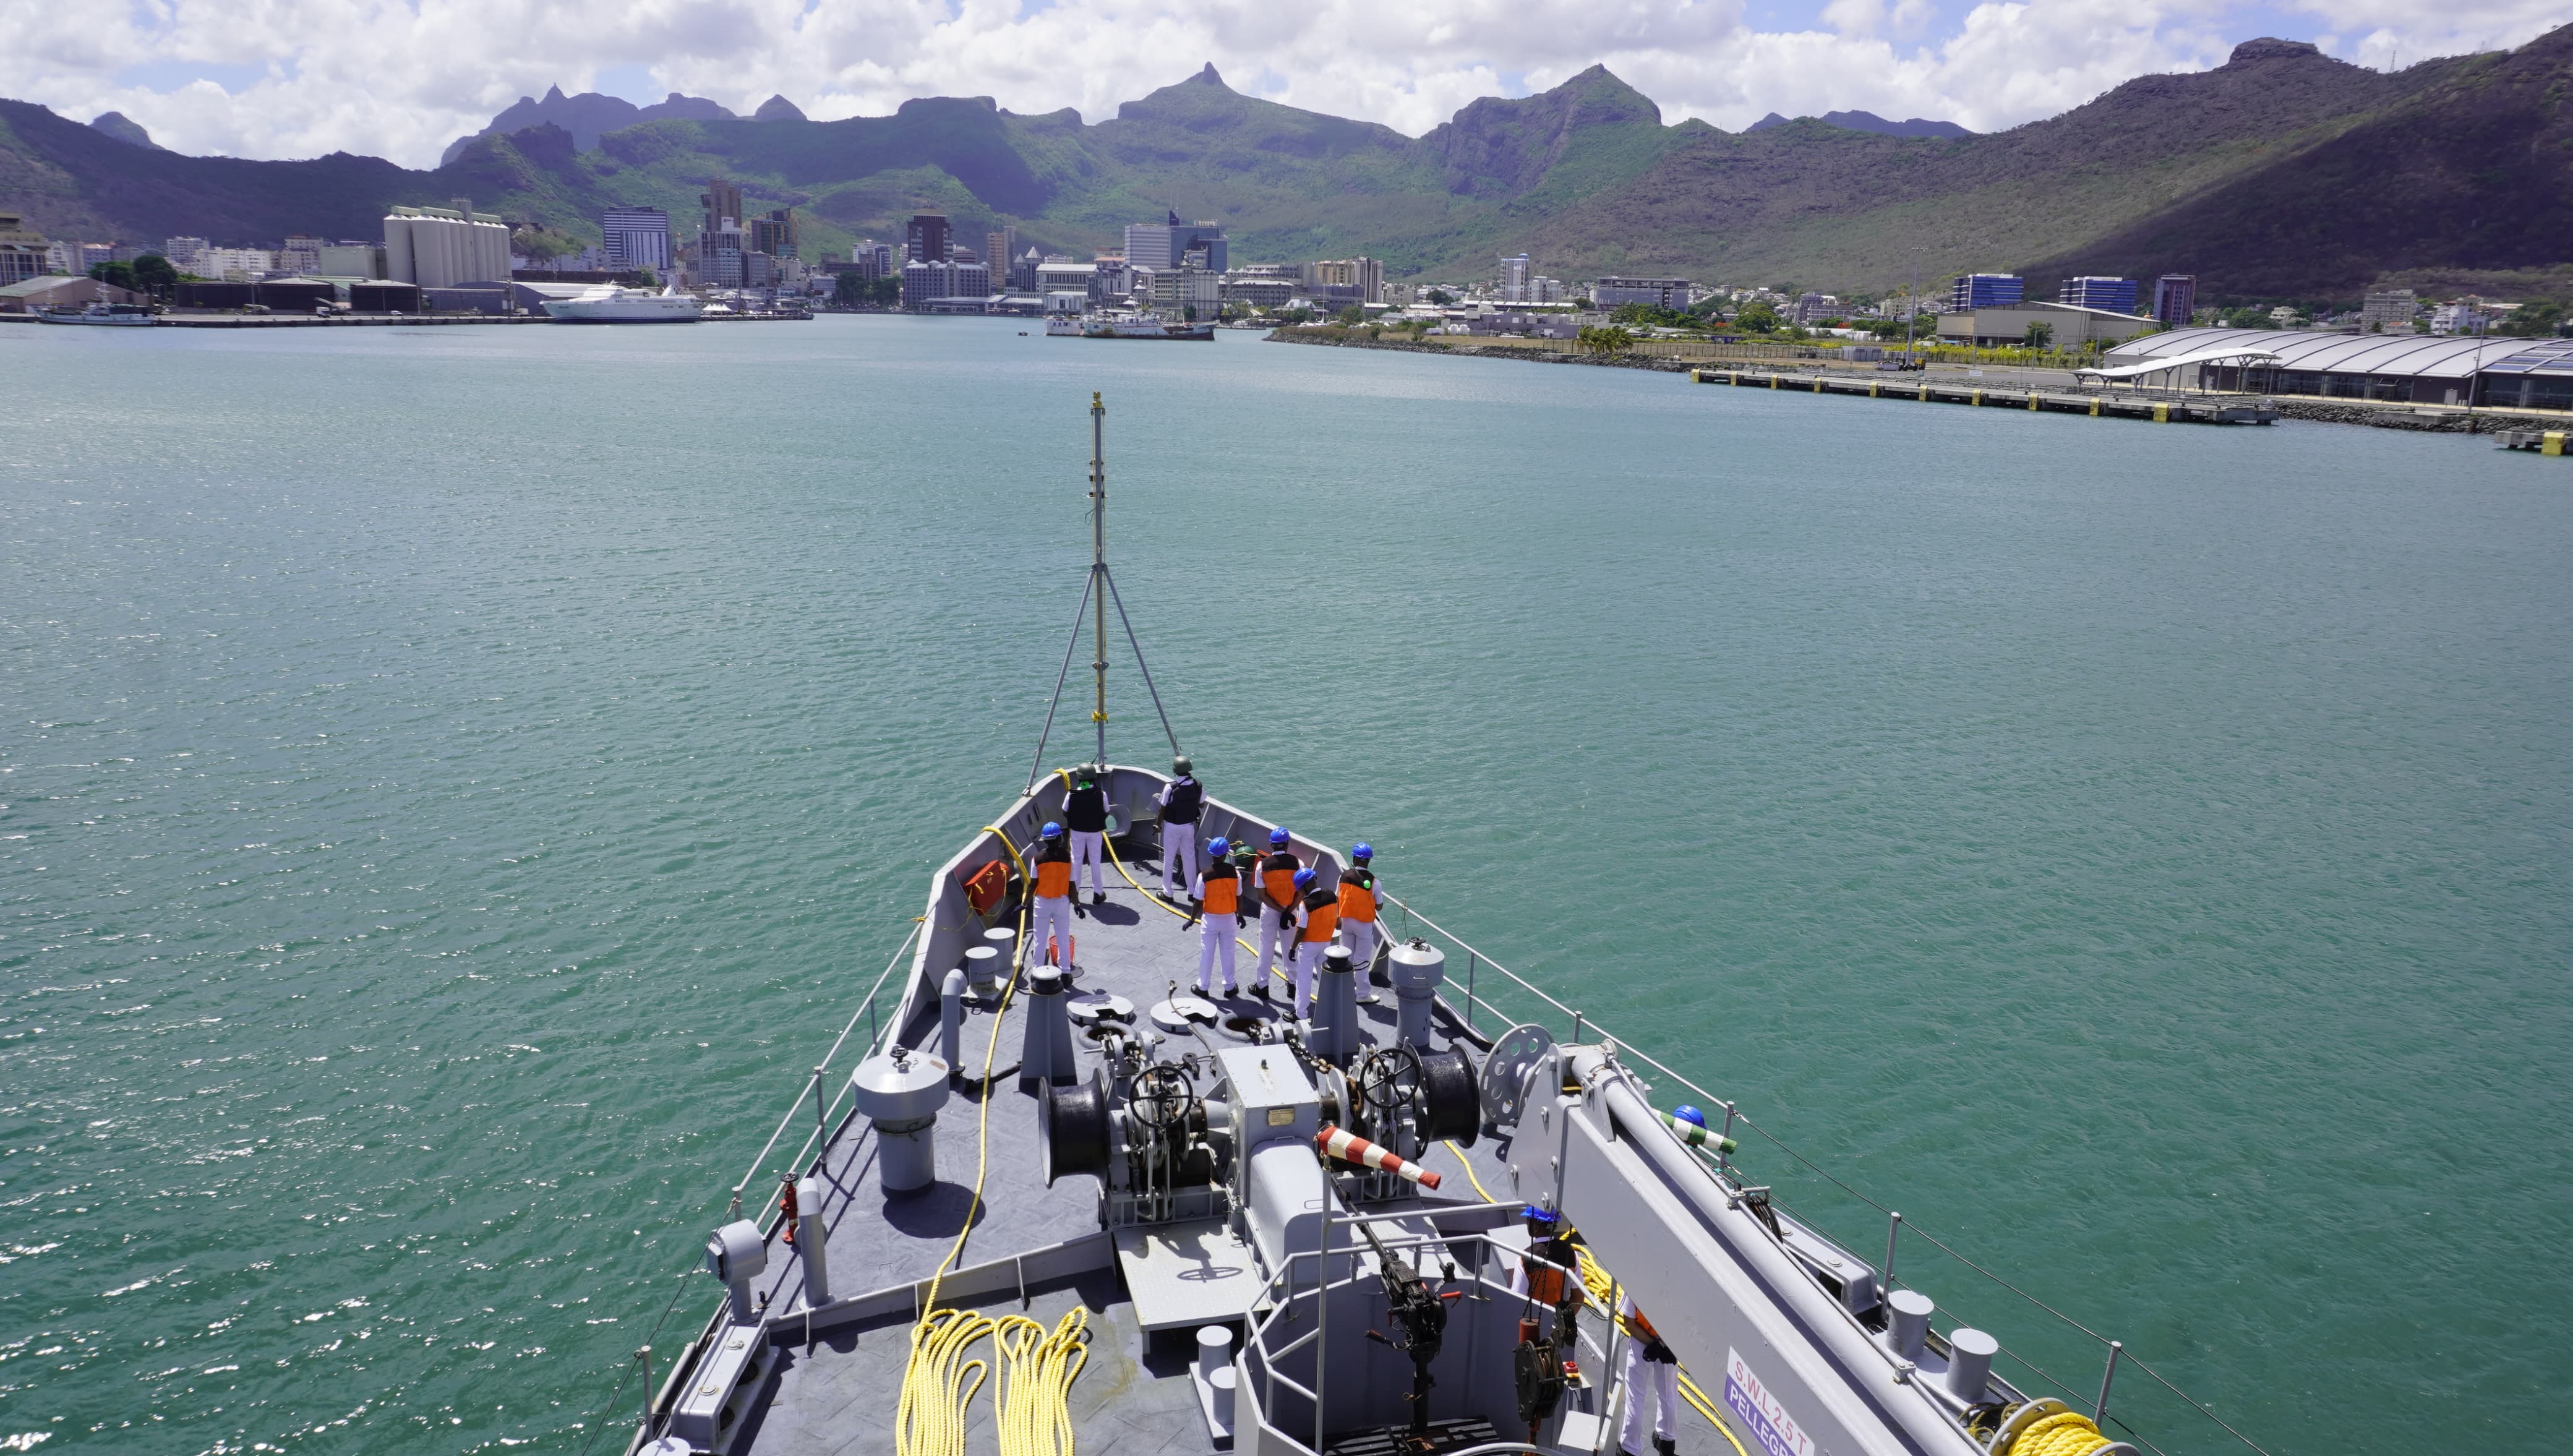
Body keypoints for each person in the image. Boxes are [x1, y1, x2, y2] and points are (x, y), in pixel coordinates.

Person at [1617, 1290, 1679, 1456]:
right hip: (1669, 1345)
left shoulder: (1637, 1282)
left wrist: (1655, 1346)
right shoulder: (1680, 1286)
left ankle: (1630, 1448)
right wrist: (1663, 1346)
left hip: (1641, 1339)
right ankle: (1667, 1444)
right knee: (1668, 1393)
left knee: (1635, 1395)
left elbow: (1629, 1323)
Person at [1254, 828, 1302, 997]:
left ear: (1271, 845)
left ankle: (1262, 987)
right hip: (1291, 910)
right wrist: (1288, 911)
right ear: (1287, 844)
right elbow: (1301, 892)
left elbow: (1262, 895)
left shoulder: (1262, 866)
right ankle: (1293, 986)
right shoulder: (1298, 864)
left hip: (1270, 911)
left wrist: (1281, 911)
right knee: (1291, 948)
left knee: (1266, 947)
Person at [1195, 837, 1242, 996]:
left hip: (1210, 920)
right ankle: (1229, 987)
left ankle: (1203, 987)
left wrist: (1192, 918)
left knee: (1207, 953)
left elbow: (1198, 900)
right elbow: (1239, 897)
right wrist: (1240, 915)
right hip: (1229, 919)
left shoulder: (1204, 875)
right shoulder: (1235, 874)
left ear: (1212, 855)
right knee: (1228, 953)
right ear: (1225, 855)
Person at [1290, 867, 1339, 1020]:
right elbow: (1337, 920)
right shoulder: (1332, 896)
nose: (1301, 892)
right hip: (1326, 944)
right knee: (1325, 979)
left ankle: (1301, 1014)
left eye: (1301, 889)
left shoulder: (1305, 904)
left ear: (1306, 885)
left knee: (1303, 981)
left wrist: (1293, 948)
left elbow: (1301, 931)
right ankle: (1329, 1010)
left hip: (1308, 946)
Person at [1157, 756, 1204, 908]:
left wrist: (1158, 825)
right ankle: (1192, 892)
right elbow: (1201, 804)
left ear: (1175, 770)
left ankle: (1168, 893)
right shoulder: (1197, 785)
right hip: (1188, 826)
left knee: (1169, 858)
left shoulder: (1170, 787)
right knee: (1189, 858)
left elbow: (1163, 808)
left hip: (1172, 827)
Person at [1029, 821, 1076, 972]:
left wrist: (1023, 904)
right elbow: (1072, 885)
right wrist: (1077, 905)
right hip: (1061, 902)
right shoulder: (1069, 857)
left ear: (1045, 840)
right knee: (1063, 938)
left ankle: (1037, 971)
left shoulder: (1037, 859)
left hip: (1042, 903)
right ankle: (1065, 971)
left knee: (1039, 939)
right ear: (1059, 839)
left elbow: (1032, 884)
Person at [1061, 765, 1110, 906]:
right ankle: (1098, 894)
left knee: (1076, 862)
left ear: (1079, 778)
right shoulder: (1101, 794)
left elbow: (1065, 811)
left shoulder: (1071, 794)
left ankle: (1075, 893)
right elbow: (1106, 811)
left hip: (1077, 832)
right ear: (1093, 777)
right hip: (1095, 832)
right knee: (1095, 862)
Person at [1336, 842, 1381, 976]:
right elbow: (1379, 906)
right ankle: (1362, 989)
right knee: (1362, 962)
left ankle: (1346, 983)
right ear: (1368, 861)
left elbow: (1337, 898)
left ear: (1355, 859)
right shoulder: (1375, 883)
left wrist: (1337, 919)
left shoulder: (1343, 877)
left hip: (1346, 922)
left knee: (1346, 956)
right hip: (1364, 926)